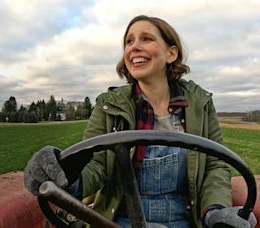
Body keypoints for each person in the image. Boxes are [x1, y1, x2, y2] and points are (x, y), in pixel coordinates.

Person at [24, 15, 257, 228]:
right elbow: (96, 165)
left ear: (171, 53)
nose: (134, 47)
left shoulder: (200, 103)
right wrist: (63, 174)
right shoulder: (109, 105)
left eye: (146, 39)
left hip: (184, 220)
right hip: (121, 221)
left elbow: (215, 167)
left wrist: (215, 211)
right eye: (128, 41)